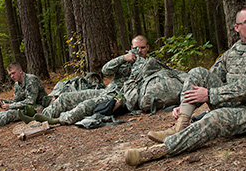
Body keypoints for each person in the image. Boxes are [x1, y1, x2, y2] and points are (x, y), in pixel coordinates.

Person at [125, 7, 246, 166]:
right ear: (237, 27)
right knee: (197, 72)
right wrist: (185, 105)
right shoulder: (234, 51)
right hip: (234, 102)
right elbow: (210, 75)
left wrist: (210, 95)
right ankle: (181, 123)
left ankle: (156, 151)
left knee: (215, 118)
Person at [18, 35, 150, 125]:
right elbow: (105, 71)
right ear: (131, 48)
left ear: (147, 48)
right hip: (105, 90)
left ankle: (57, 120)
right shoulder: (125, 60)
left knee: (85, 106)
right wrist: (122, 58)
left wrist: (140, 62)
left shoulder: (149, 64)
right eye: (135, 48)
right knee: (64, 97)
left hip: (117, 97)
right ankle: (39, 117)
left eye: (142, 48)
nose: (139, 51)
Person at [0, 62, 48, 132]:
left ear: (20, 71)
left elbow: (31, 101)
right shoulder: (17, 84)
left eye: (13, 73)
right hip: (26, 108)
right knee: (1, 114)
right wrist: (2, 101)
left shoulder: (31, 80)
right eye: (10, 74)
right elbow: (16, 102)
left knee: (9, 114)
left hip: (37, 108)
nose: (12, 76)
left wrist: (10, 106)